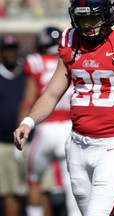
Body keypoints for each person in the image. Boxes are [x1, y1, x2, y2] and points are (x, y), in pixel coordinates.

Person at [13, 0, 114, 215]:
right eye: (82, 17)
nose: (87, 24)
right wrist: (28, 121)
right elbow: (52, 94)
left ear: (109, 15)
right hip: (76, 145)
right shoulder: (70, 42)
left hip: (113, 146)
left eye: (93, 17)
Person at [19, 26, 80, 216]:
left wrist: (22, 126)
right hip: (70, 129)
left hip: (46, 129)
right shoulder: (74, 59)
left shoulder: (36, 62)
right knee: (73, 184)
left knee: (33, 178)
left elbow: (28, 100)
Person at [0, 35, 26, 216]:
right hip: (4, 143)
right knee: (9, 191)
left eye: (13, 48)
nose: (11, 52)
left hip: (30, 141)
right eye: (7, 49)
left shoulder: (27, 72)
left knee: (39, 188)